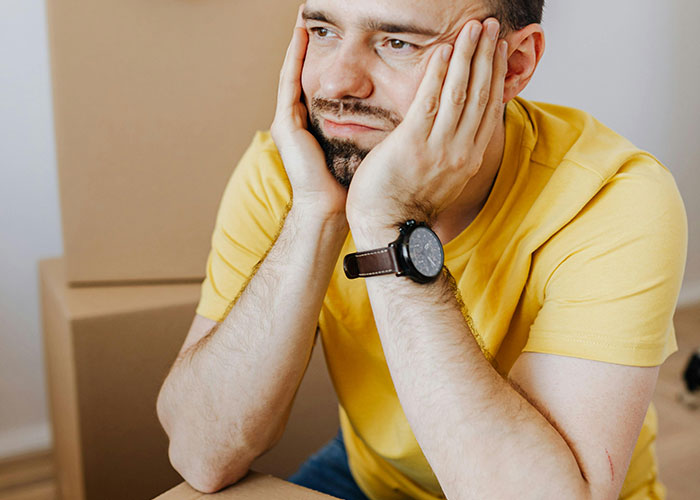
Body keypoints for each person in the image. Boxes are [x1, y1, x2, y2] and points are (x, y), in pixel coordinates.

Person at [156, 0, 687, 499]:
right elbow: (201, 454)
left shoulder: (611, 198)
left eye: (398, 43)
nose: (337, 82)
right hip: (373, 477)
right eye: (323, 31)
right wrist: (315, 215)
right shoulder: (290, 171)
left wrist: (389, 225)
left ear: (513, 65)